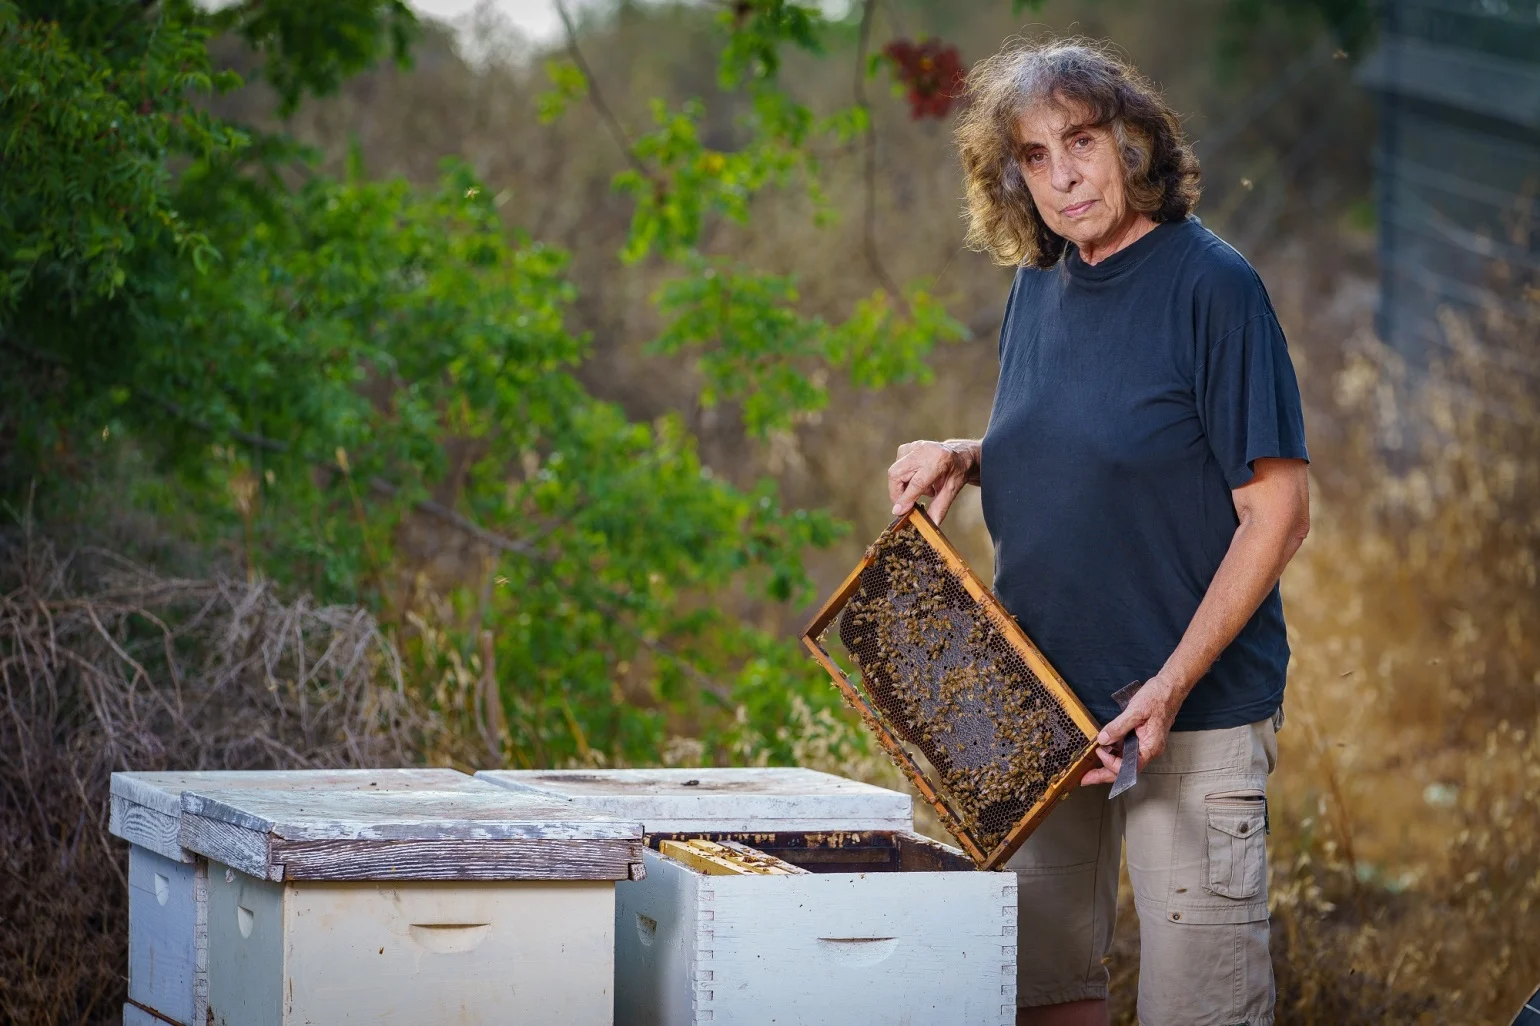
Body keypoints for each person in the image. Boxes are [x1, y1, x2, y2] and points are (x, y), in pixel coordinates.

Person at [887, 39, 1310, 1026]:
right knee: (1043, 997)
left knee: (1196, 1012)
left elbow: (1277, 512)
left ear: (1133, 143)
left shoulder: (1214, 289)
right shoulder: (1039, 284)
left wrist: (1168, 685)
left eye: (1079, 140)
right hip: (1039, 713)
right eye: (1032, 155)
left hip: (1187, 721)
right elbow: (1084, 433)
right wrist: (966, 451)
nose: (1062, 174)